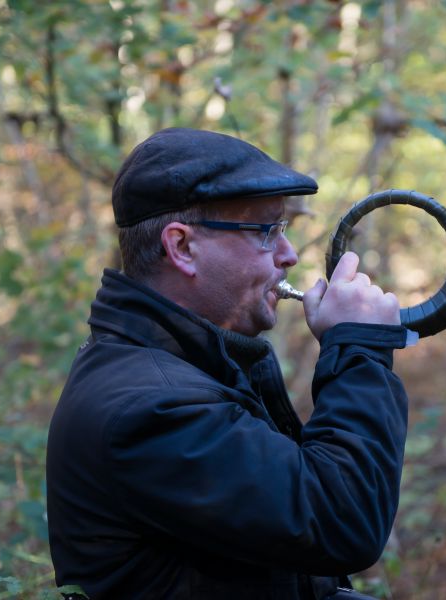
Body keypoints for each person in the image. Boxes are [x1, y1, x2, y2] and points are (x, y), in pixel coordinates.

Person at [46, 128, 410, 599]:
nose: (290, 255)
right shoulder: (149, 410)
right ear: (182, 248)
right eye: (266, 232)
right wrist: (359, 350)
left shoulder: (181, 368)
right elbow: (341, 520)